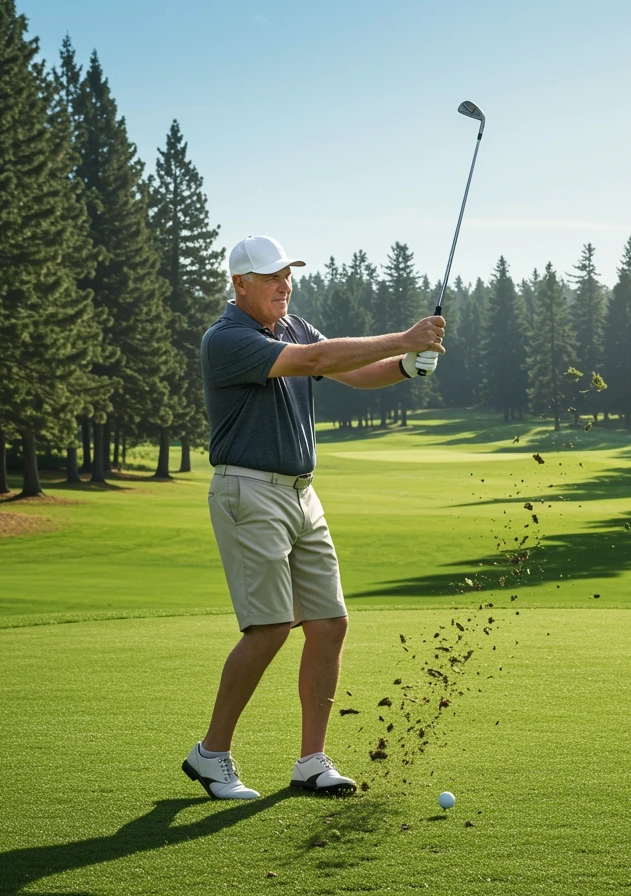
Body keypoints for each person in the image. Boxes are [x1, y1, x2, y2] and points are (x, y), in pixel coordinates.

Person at [182, 235, 444, 799]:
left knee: (329, 623)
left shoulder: (294, 326)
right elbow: (318, 361)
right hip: (249, 490)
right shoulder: (227, 338)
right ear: (240, 285)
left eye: (287, 275)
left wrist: (404, 365)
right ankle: (211, 754)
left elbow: (353, 371)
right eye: (271, 277)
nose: (284, 285)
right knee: (270, 627)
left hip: (303, 494)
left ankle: (311, 762)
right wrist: (406, 336)